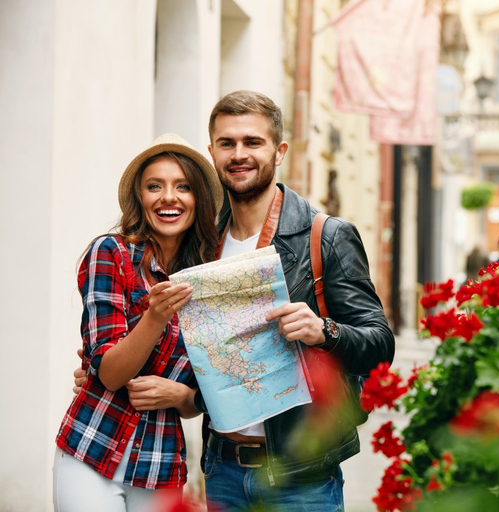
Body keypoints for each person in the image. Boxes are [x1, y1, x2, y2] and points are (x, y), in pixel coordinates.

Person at [73, 91, 395, 511]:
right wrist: (100, 370)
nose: (239, 154)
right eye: (227, 144)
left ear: (278, 151)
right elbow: (200, 352)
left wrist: (324, 331)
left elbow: (379, 345)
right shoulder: (200, 244)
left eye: (252, 142)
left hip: (304, 479)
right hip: (223, 471)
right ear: (212, 153)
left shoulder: (325, 236)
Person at [55, 134, 223, 512]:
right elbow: (111, 375)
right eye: (154, 186)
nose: (168, 197)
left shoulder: (208, 278)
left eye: (183, 186)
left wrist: (183, 398)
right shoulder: (110, 254)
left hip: (159, 464)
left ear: (199, 199)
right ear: (140, 197)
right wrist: (155, 316)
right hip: (91, 446)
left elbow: (205, 388)